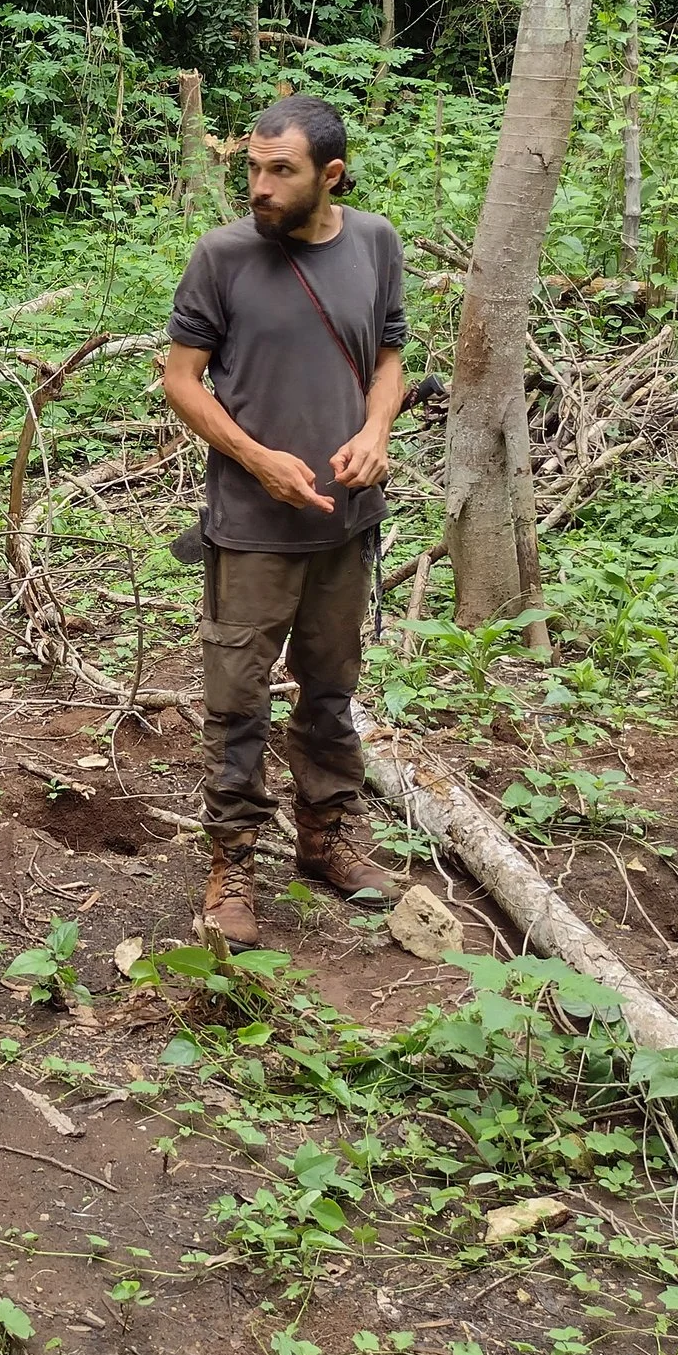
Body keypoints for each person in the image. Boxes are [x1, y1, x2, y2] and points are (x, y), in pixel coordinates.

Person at [162, 93, 412, 948]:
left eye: (281, 171)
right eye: (253, 169)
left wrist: (377, 429)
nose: (259, 188)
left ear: (329, 175)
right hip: (249, 524)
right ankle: (232, 861)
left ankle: (325, 836)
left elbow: (389, 358)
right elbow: (183, 380)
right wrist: (256, 457)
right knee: (236, 702)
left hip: (345, 524)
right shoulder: (222, 257)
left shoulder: (375, 243)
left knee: (331, 689)